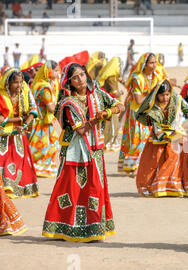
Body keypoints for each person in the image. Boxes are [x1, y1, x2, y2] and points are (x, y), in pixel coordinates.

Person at [42, 62, 125, 242]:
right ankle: (63, 226)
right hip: (74, 152)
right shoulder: (68, 102)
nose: (80, 79)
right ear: (69, 82)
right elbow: (80, 130)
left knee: (95, 188)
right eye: (75, 77)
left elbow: (121, 105)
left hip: (95, 149)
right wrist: (99, 117)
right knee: (70, 188)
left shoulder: (97, 93)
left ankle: (94, 227)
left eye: (82, 74)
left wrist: (111, 110)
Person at [134, 79, 188, 197]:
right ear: (157, 95)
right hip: (160, 135)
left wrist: (187, 125)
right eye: (162, 95)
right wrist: (174, 136)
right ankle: (161, 186)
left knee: (179, 157)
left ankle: (177, 186)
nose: (165, 98)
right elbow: (157, 129)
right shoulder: (153, 108)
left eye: (167, 94)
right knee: (155, 161)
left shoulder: (177, 100)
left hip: (178, 132)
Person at [118, 52, 165, 175]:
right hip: (137, 113)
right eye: (151, 62)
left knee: (150, 139)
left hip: (151, 112)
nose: (154, 65)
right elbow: (138, 100)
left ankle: (144, 165)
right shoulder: (137, 78)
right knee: (137, 138)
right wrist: (154, 96)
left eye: (155, 62)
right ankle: (132, 165)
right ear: (144, 64)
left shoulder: (157, 76)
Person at [0, 68, 39, 198]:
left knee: (19, 160)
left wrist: (25, 125)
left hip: (20, 132)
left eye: (21, 82)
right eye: (16, 82)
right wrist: (21, 119)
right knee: (5, 160)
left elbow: (33, 110)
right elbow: (1, 120)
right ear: (8, 83)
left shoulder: (25, 92)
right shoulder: (1, 96)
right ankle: (6, 187)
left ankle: (14, 188)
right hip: (5, 134)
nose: (19, 85)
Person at [28, 60, 61, 178]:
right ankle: (39, 168)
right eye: (56, 70)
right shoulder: (44, 88)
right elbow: (51, 108)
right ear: (49, 71)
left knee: (45, 144)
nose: (58, 73)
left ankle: (40, 167)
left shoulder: (39, 84)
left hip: (39, 120)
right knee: (45, 146)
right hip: (42, 122)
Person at [97, 57, 124, 152]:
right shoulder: (111, 77)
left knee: (108, 124)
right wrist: (121, 92)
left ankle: (107, 142)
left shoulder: (110, 76)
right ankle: (111, 143)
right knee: (113, 124)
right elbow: (114, 93)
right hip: (111, 105)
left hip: (108, 104)